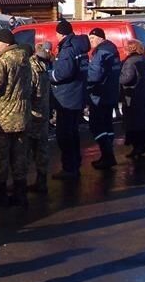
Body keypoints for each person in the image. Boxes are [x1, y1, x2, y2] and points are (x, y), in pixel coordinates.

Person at [0, 28, 32, 206]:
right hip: (22, 114)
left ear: (6, 43)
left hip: (4, 118)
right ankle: (20, 192)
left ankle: (0, 194)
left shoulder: (3, 62)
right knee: (19, 156)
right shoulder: (25, 59)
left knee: (1, 157)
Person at [48, 20, 89, 180]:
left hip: (66, 97)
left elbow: (64, 73)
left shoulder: (68, 49)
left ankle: (69, 167)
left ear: (61, 33)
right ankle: (75, 164)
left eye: (57, 33)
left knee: (64, 134)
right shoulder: (80, 46)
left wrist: (49, 76)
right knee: (73, 132)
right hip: (76, 94)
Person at [86, 28, 121, 169]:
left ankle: (108, 155)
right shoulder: (112, 50)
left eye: (93, 39)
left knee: (96, 125)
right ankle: (108, 154)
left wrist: (85, 82)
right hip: (111, 93)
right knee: (107, 125)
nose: (91, 42)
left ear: (100, 38)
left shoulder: (101, 52)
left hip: (99, 95)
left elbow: (94, 75)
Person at [120, 39, 145, 158]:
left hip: (133, 96)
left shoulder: (129, 62)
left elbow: (127, 78)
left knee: (134, 123)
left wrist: (118, 78)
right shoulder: (143, 59)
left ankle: (137, 147)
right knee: (143, 123)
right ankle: (143, 146)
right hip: (143, 94)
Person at [26, 44, 51, 194]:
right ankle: (41, 180)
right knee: (41, 150)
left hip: (33, 114)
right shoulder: (42, 66)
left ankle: (22, 185)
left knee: (26, 151)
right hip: (43, 112)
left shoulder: (31, 69)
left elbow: (28, 92)